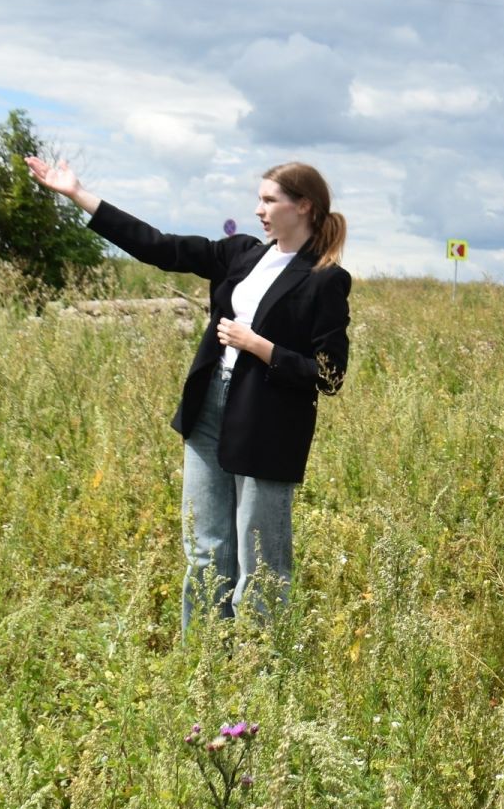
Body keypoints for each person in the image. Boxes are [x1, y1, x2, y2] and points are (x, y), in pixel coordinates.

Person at [25, 156, 351, 630]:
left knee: (260, 560)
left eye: (268, 199)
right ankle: (204, 666)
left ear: (303, 206)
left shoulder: (325, 279)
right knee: (206, 548)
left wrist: (260, 347)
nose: (258, 209)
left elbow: (330, 375)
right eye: (258, 199)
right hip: (208, 410)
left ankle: (258, 679)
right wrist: (78, 195)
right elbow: (159, 247)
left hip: (268, 423)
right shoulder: (241, 253)